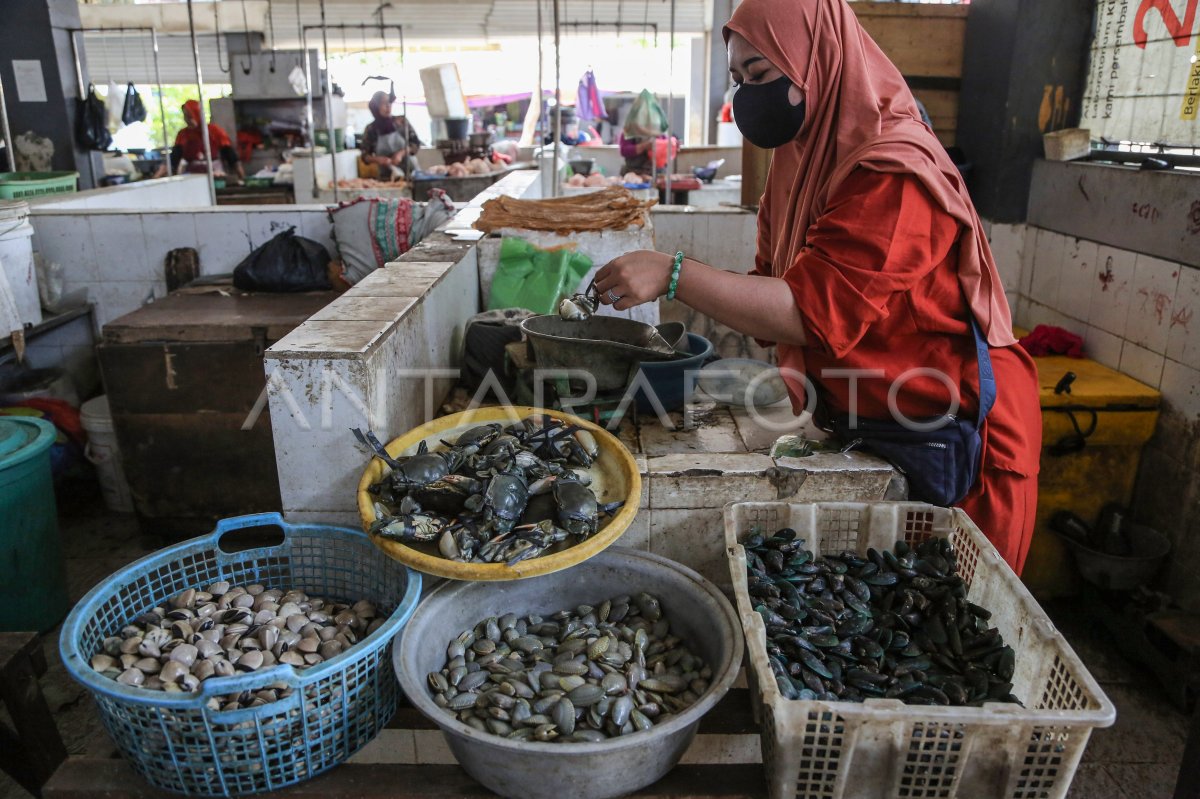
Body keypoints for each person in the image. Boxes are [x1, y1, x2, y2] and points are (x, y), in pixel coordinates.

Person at [594, 0, 1041, 575]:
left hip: (955, 436)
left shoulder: (894, 172)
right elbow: (774, 287)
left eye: (760, 76)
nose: (746, 97)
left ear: (819, 61)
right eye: (739, 80)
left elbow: (807, 313)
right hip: (872, 422)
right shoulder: (799, 162)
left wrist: (673, 273)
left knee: (955, 626)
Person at [153, 100, 244, 181]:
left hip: (215, 173)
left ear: (197, 114)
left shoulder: (214, 131)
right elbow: (173, 159)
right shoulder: (183, 134)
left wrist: (242, 176)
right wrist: (156, 177)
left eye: (189, 116)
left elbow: (230, 155)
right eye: (185, 116)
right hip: (191, 175)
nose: (187, 120)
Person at [359, 91, 422, 179]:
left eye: (389, 102)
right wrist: (378, 159)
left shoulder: (401, 121)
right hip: (387, 177)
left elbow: (415, 143)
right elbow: (364, 155)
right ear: (375, 107)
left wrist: (401, 153)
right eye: (383, 103)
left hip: (412, 173)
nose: (388, 106)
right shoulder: (371, 129)